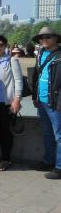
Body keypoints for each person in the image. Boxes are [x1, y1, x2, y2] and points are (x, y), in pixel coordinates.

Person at [0, 35, 23, 171]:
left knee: (7, 132)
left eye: (0, 44)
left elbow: (19, 81)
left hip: (9, 103)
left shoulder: (12, 61)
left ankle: (6, 159)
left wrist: (17, 100)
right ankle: (3, 158)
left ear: (5, 46)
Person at [31, 27, 61, 179]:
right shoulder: (40, 54)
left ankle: (59, 166)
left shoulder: (59, 55)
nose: (44, 40)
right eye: (41, 38)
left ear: (55, 38)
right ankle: (49, 160)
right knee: (47, 133)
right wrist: (34, 97)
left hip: (55, 102)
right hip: (41, 101)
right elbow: (36, 76)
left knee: (59, 136)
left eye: (48, 37)